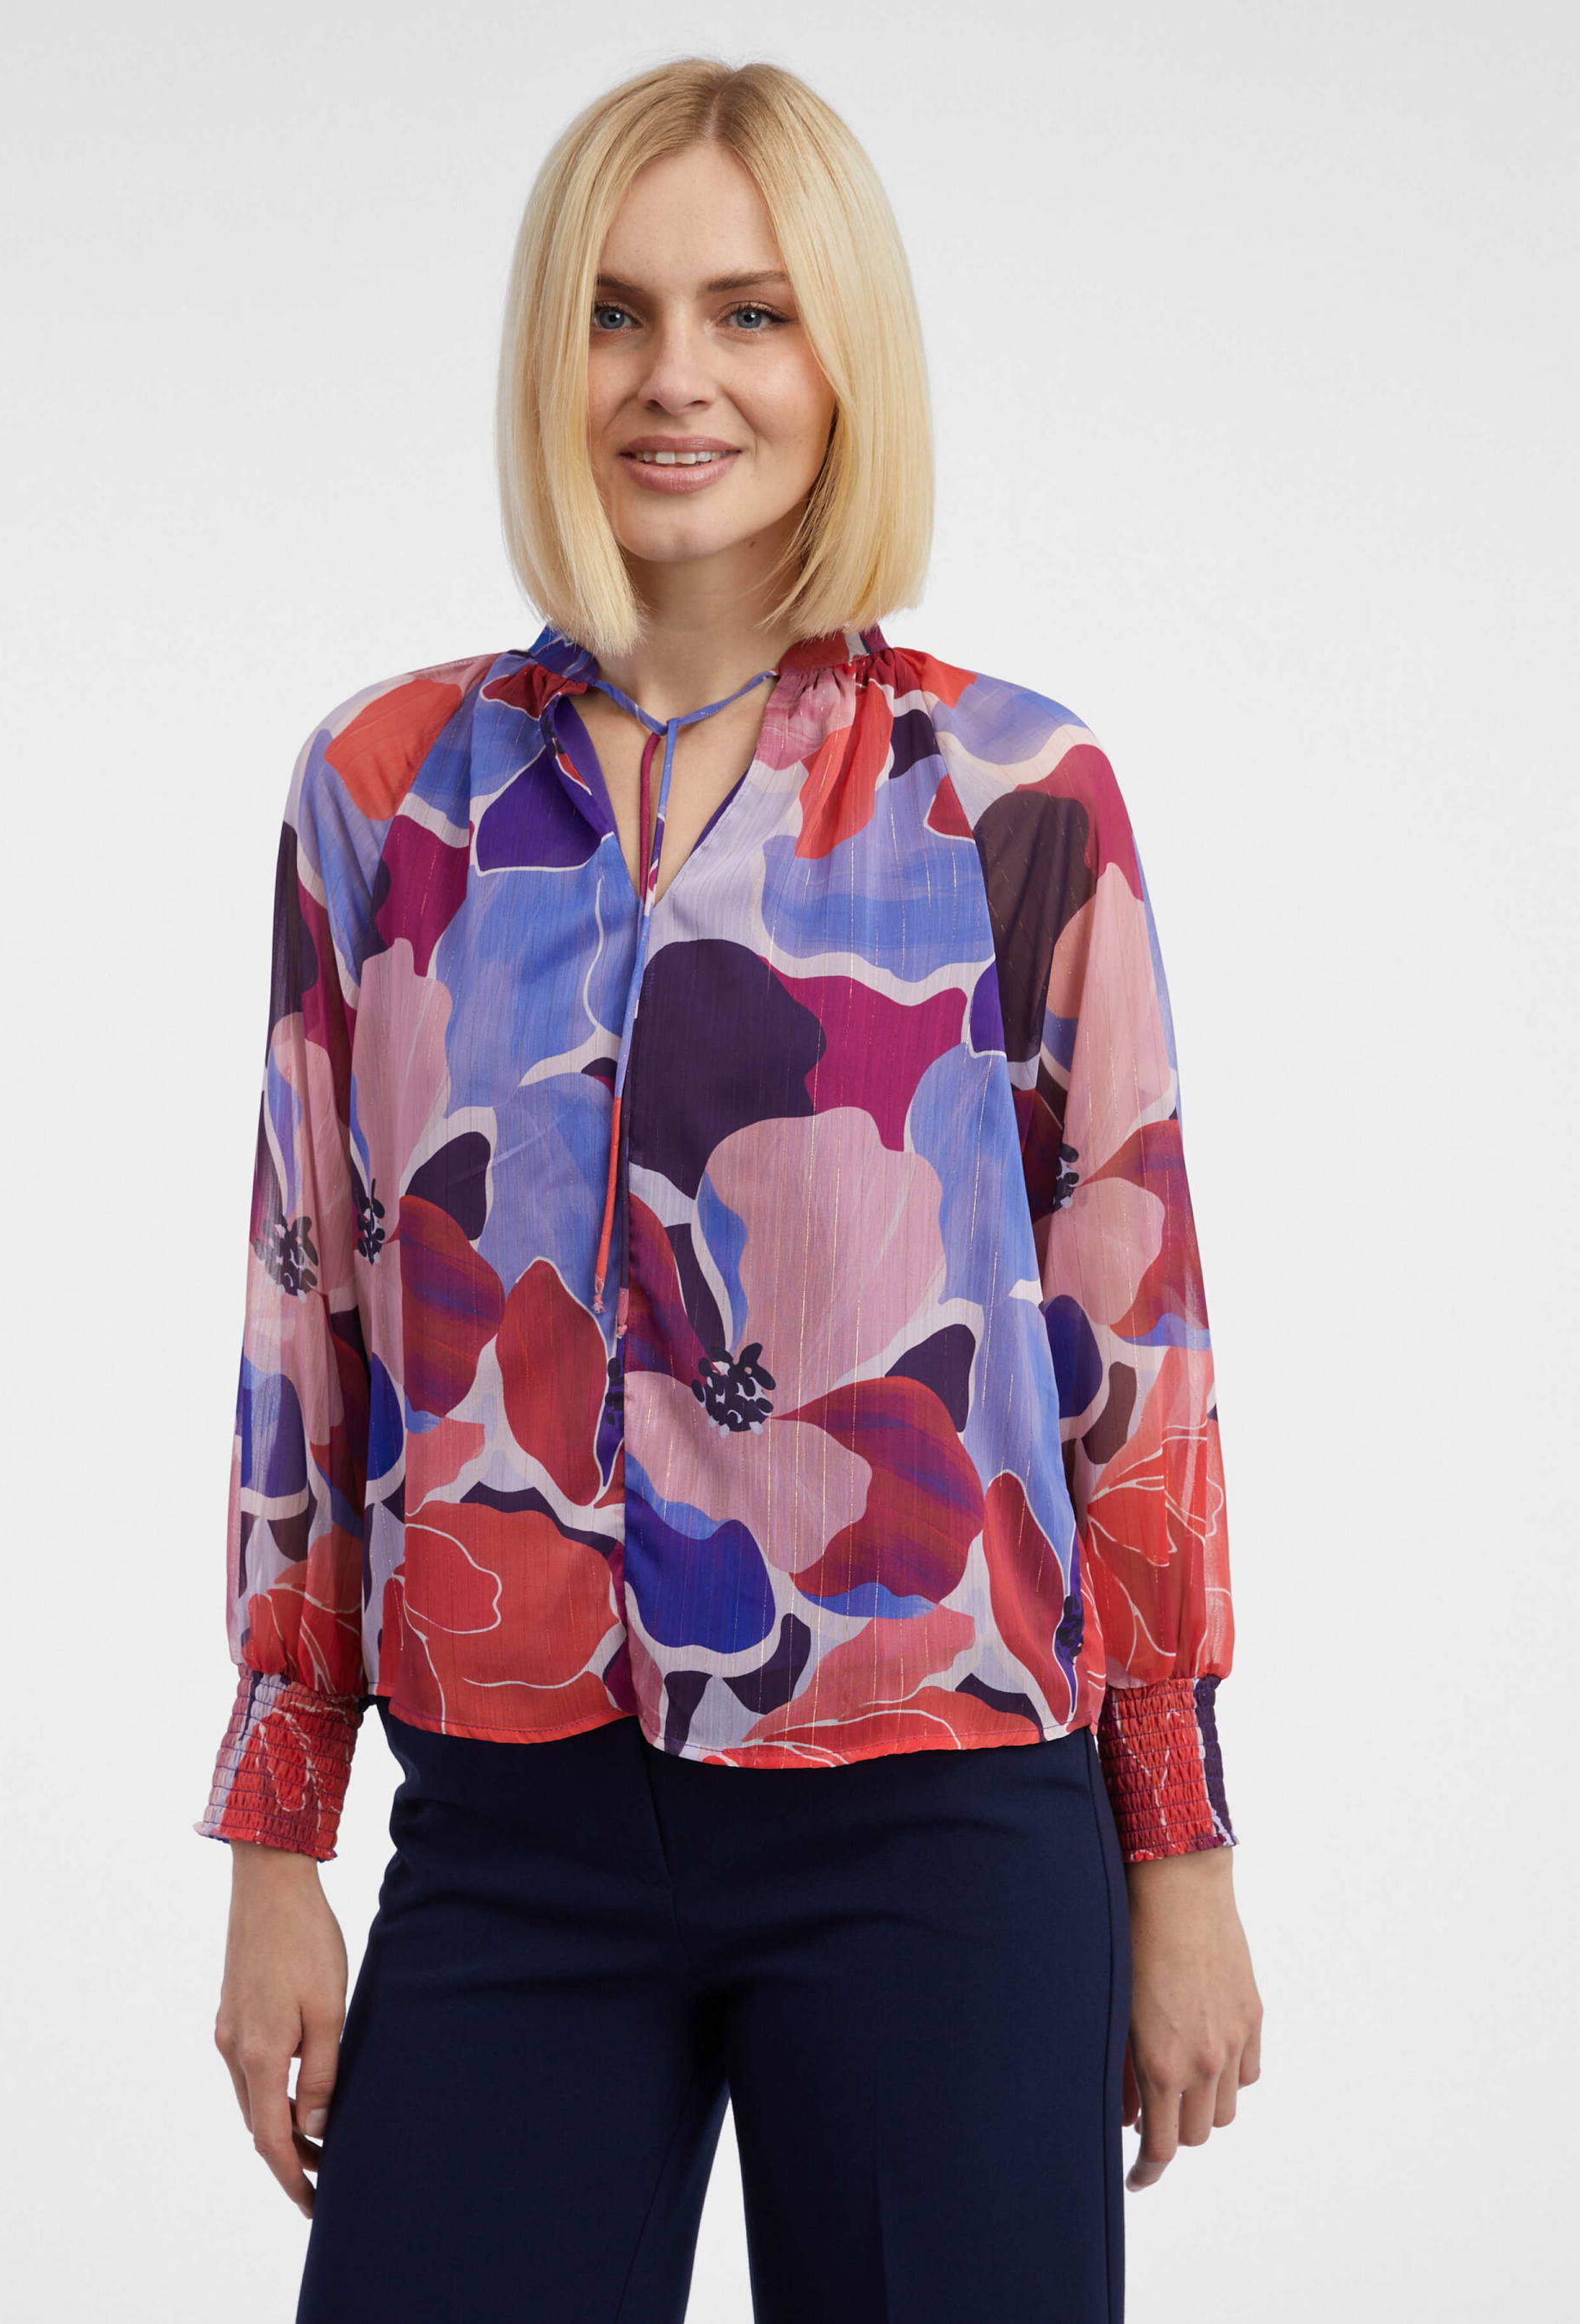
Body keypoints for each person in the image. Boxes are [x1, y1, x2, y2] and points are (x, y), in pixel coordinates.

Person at [199, 54, 1262, 2324]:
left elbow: (1135, 1341)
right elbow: (308, 1317)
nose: (673, 375)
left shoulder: (1011, 793)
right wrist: (278, 1834)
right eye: (615, 312)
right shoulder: (383, 796)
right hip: (510, 1819)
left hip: (937, 1814)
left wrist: (1177, 1849)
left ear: (841, 357)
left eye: (749, 313)